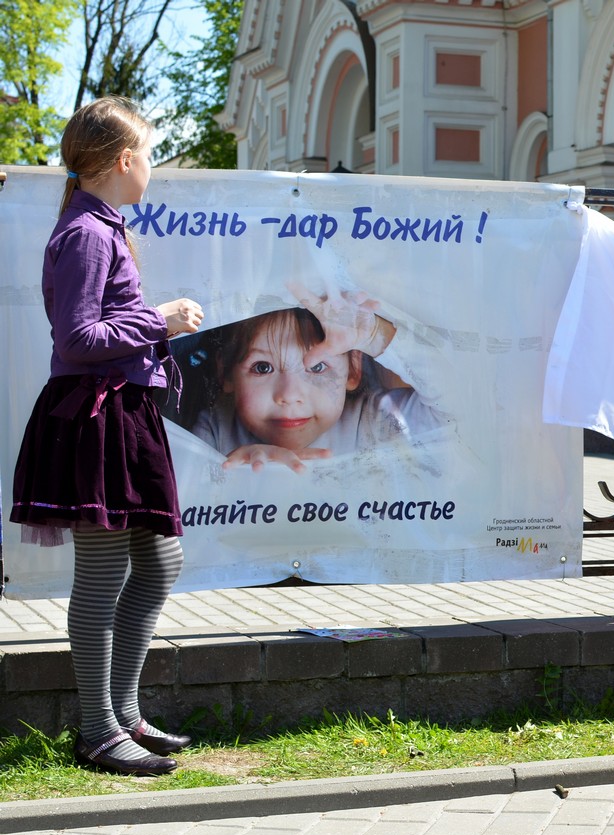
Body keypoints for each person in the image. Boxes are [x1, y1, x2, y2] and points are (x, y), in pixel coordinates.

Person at [7, 97, 203, 775]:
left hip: (123, 413)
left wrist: (153, 324)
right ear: (124, 160)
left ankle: (123, 714)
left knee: (160, 563)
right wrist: (160, 319)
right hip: (96, 415)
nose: (151, 166)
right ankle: (97, 732)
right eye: (147, 154)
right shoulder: (86, 234)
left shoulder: (102, 226)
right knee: (102, 576)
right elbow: (79, 337)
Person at [192, 287, 454, 473]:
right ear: (226, 372)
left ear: (353, 371)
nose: (290, 395)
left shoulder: (375, 420)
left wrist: (376, 337)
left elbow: (461, 408)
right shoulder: (216, 429)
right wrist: (229, 474)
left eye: (317, 367)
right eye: (262, 367)